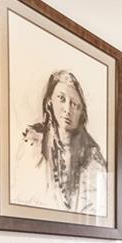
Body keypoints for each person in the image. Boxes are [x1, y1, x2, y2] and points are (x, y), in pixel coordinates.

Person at [12, 70, 107, 216]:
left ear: (82, 112)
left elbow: (95, 211)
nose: (67, 109)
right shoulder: (32, 141)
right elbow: (21, 195)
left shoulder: (92, 157)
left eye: (75, 104)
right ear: (50, 101)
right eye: (61, 99)